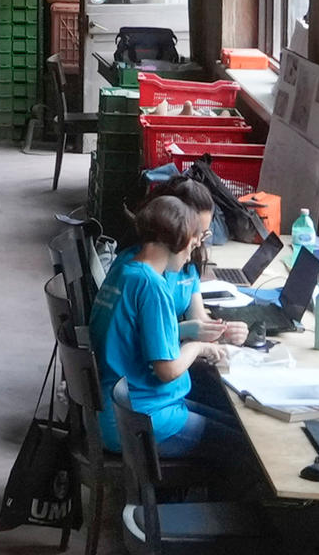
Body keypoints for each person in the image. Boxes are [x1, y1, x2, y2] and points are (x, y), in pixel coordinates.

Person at [97, 196, 245, 459]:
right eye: (193, 241)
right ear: (175, 239)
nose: (192, 252)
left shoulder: (125, 271)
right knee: (245, 448)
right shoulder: (153, 287)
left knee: (235, 424)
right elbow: (167, 369)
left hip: (118, 411)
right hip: (138, 422)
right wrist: (198, 346)